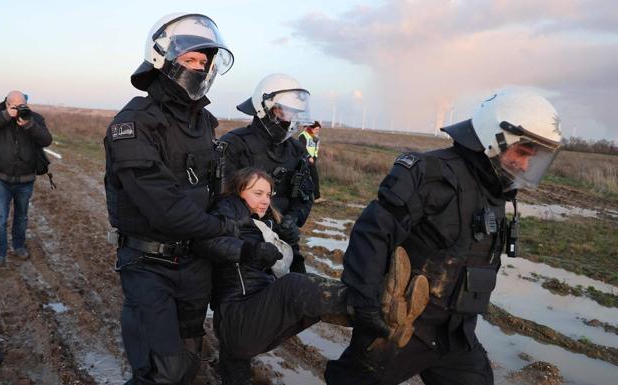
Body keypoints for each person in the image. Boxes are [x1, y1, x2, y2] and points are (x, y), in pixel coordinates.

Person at [325, 90, 563, 385]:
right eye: (522, 154)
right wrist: (364, 301)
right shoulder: (431, 173)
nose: (525, 166)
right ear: (495, 139)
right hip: (404, 328)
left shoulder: (496, 191)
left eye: (532, 158)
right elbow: (372, 233)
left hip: (457, 337)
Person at [103, 13, 239, 384]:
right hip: (149, 265)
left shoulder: (205, 124)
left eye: (203, 62)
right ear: (163, 59)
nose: (198, 67)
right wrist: (222, 227)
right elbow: (162, 205)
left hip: (196, 265)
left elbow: (218, 189)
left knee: (189, 363)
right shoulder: (133, 123)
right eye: (189, 59)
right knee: (160, 372)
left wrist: (230, 215)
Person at [192, 167, 348, 385]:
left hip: (245, 325)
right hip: (239, 317)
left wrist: (291, 242)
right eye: (258, 193)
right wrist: (251, 251)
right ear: (238, 191)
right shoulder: (227, 210)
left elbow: (290, 266)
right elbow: (206, 242)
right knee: (293, 287)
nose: (265, 200)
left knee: (307, 304)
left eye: (268, 194)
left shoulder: (263, 225)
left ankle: (370, 317)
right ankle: (368, 303)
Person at [220, 74, 315, 273]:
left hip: (284, 244)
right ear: (266, 109)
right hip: (244, 245)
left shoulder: (296, 150)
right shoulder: (235, 143)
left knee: (297, 296)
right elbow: (221, 198)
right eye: (286, 111)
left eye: (295, 113)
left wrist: (292, 221)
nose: (291, 119)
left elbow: (305, 197)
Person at [0, 91, 52, 266]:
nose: (19, 109)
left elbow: (46, 140)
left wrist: (29, 125)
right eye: (15, 106)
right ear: (7, 104)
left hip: (26, 179)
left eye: (23, 106)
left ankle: (19, 246)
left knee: (21, 217)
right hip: (0, 178)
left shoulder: (34, 118)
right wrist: (5, 116)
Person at [299, 121, 322, 202]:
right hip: (305, 160)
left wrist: (315, 157)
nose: (318, 131)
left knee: (315, 178)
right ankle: (303, 197)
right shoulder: (303, 135)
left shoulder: (316, 137)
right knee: (303, 179)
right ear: (311, 128)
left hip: (313, 161)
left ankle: (317, 197)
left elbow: (316, 148)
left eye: (319, 129)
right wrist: (308, 156)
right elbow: (302, 148)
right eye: (316, 129)